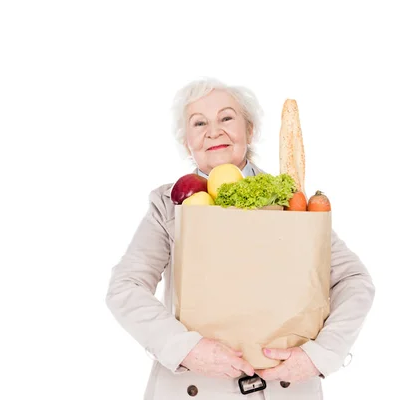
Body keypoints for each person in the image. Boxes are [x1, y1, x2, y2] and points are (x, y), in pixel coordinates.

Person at [105, 77, 375, 399]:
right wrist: (186, 349)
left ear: (249, 130)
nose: (213, 130)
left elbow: (354, 281)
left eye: (226, 118)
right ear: (187, 141)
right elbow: (126, 287)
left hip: (285, 388)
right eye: (199, 123)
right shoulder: (168, 204)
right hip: (196, 387)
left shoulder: (292, 198)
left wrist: (318, 356)